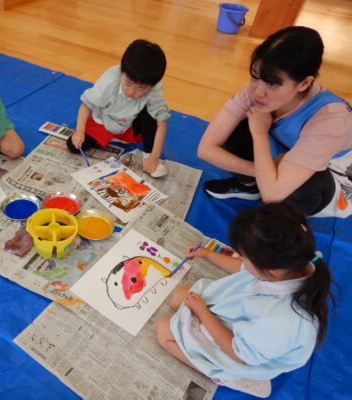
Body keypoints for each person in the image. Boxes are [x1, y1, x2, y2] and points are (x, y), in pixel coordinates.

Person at [155, 203, 334, 398]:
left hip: (242, 353)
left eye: (245, 257)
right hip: (242, 318)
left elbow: (237, 353)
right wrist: (207, 254)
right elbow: (241, 268)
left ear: (271, 271)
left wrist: (203, 312)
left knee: (163, 331)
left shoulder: (280, 323)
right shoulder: (292, 263)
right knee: (178, 297)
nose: (242, 260)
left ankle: (227, 377)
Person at [198, 26, 352, 217]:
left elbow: (272, 194)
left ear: (304, 83)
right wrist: (264, 173)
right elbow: (205, 149)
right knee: (236, 127)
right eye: (255, 77)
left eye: (272, 83)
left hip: (333, 175)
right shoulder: (257, 89)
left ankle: (288, 218)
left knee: (300, 191)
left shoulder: (330, 119)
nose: (258, 91)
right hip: (285, 155)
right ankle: (251, 186)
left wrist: (259, 133)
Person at [68, 39, 171, 178]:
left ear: (152, 85)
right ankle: (109, 138)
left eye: (141, 88)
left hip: (130, 125)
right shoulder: (110, 80)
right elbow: (86, 105)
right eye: (127, 84)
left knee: (152, 114)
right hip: (105, 122)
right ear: (122, 71)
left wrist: (154, 157)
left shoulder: (154, 88)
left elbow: (161, 124)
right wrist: (79, 131)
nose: (132, 92)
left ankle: (148, 154)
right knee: (74, 146)